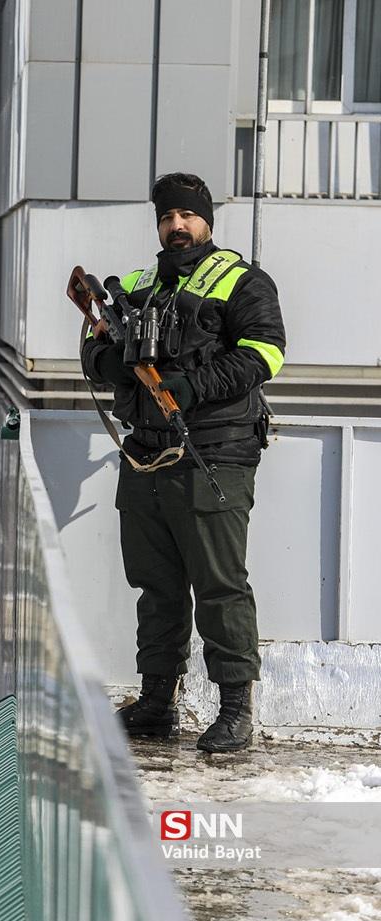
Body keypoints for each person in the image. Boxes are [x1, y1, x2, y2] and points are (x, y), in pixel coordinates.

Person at [80, 172, 286, 753]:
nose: (177, 226)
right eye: (168, 217)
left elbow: (265, 352)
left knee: (220, 585)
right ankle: (156, 703)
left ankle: (235, 709)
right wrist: (112, 363)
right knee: (156, 586)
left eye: (187, 216)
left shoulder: (242, 281)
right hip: (144, 454)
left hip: (214, 454)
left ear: (207, 222)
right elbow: (94, 346)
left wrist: (194, 386)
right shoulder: (140, 284)